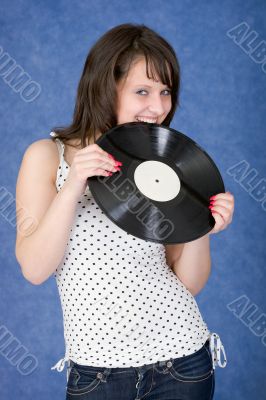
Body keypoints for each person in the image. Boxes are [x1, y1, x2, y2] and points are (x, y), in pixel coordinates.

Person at [15, 23, 234, 400]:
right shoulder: (47, 157)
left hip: (181, 365)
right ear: (105, 87)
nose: (159, 106)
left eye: (165, 91)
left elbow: (190, 284)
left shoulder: (167, 166)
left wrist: (202, 225)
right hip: (95, 375)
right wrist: (74, 185)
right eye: (142, 91)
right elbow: (35, 269)